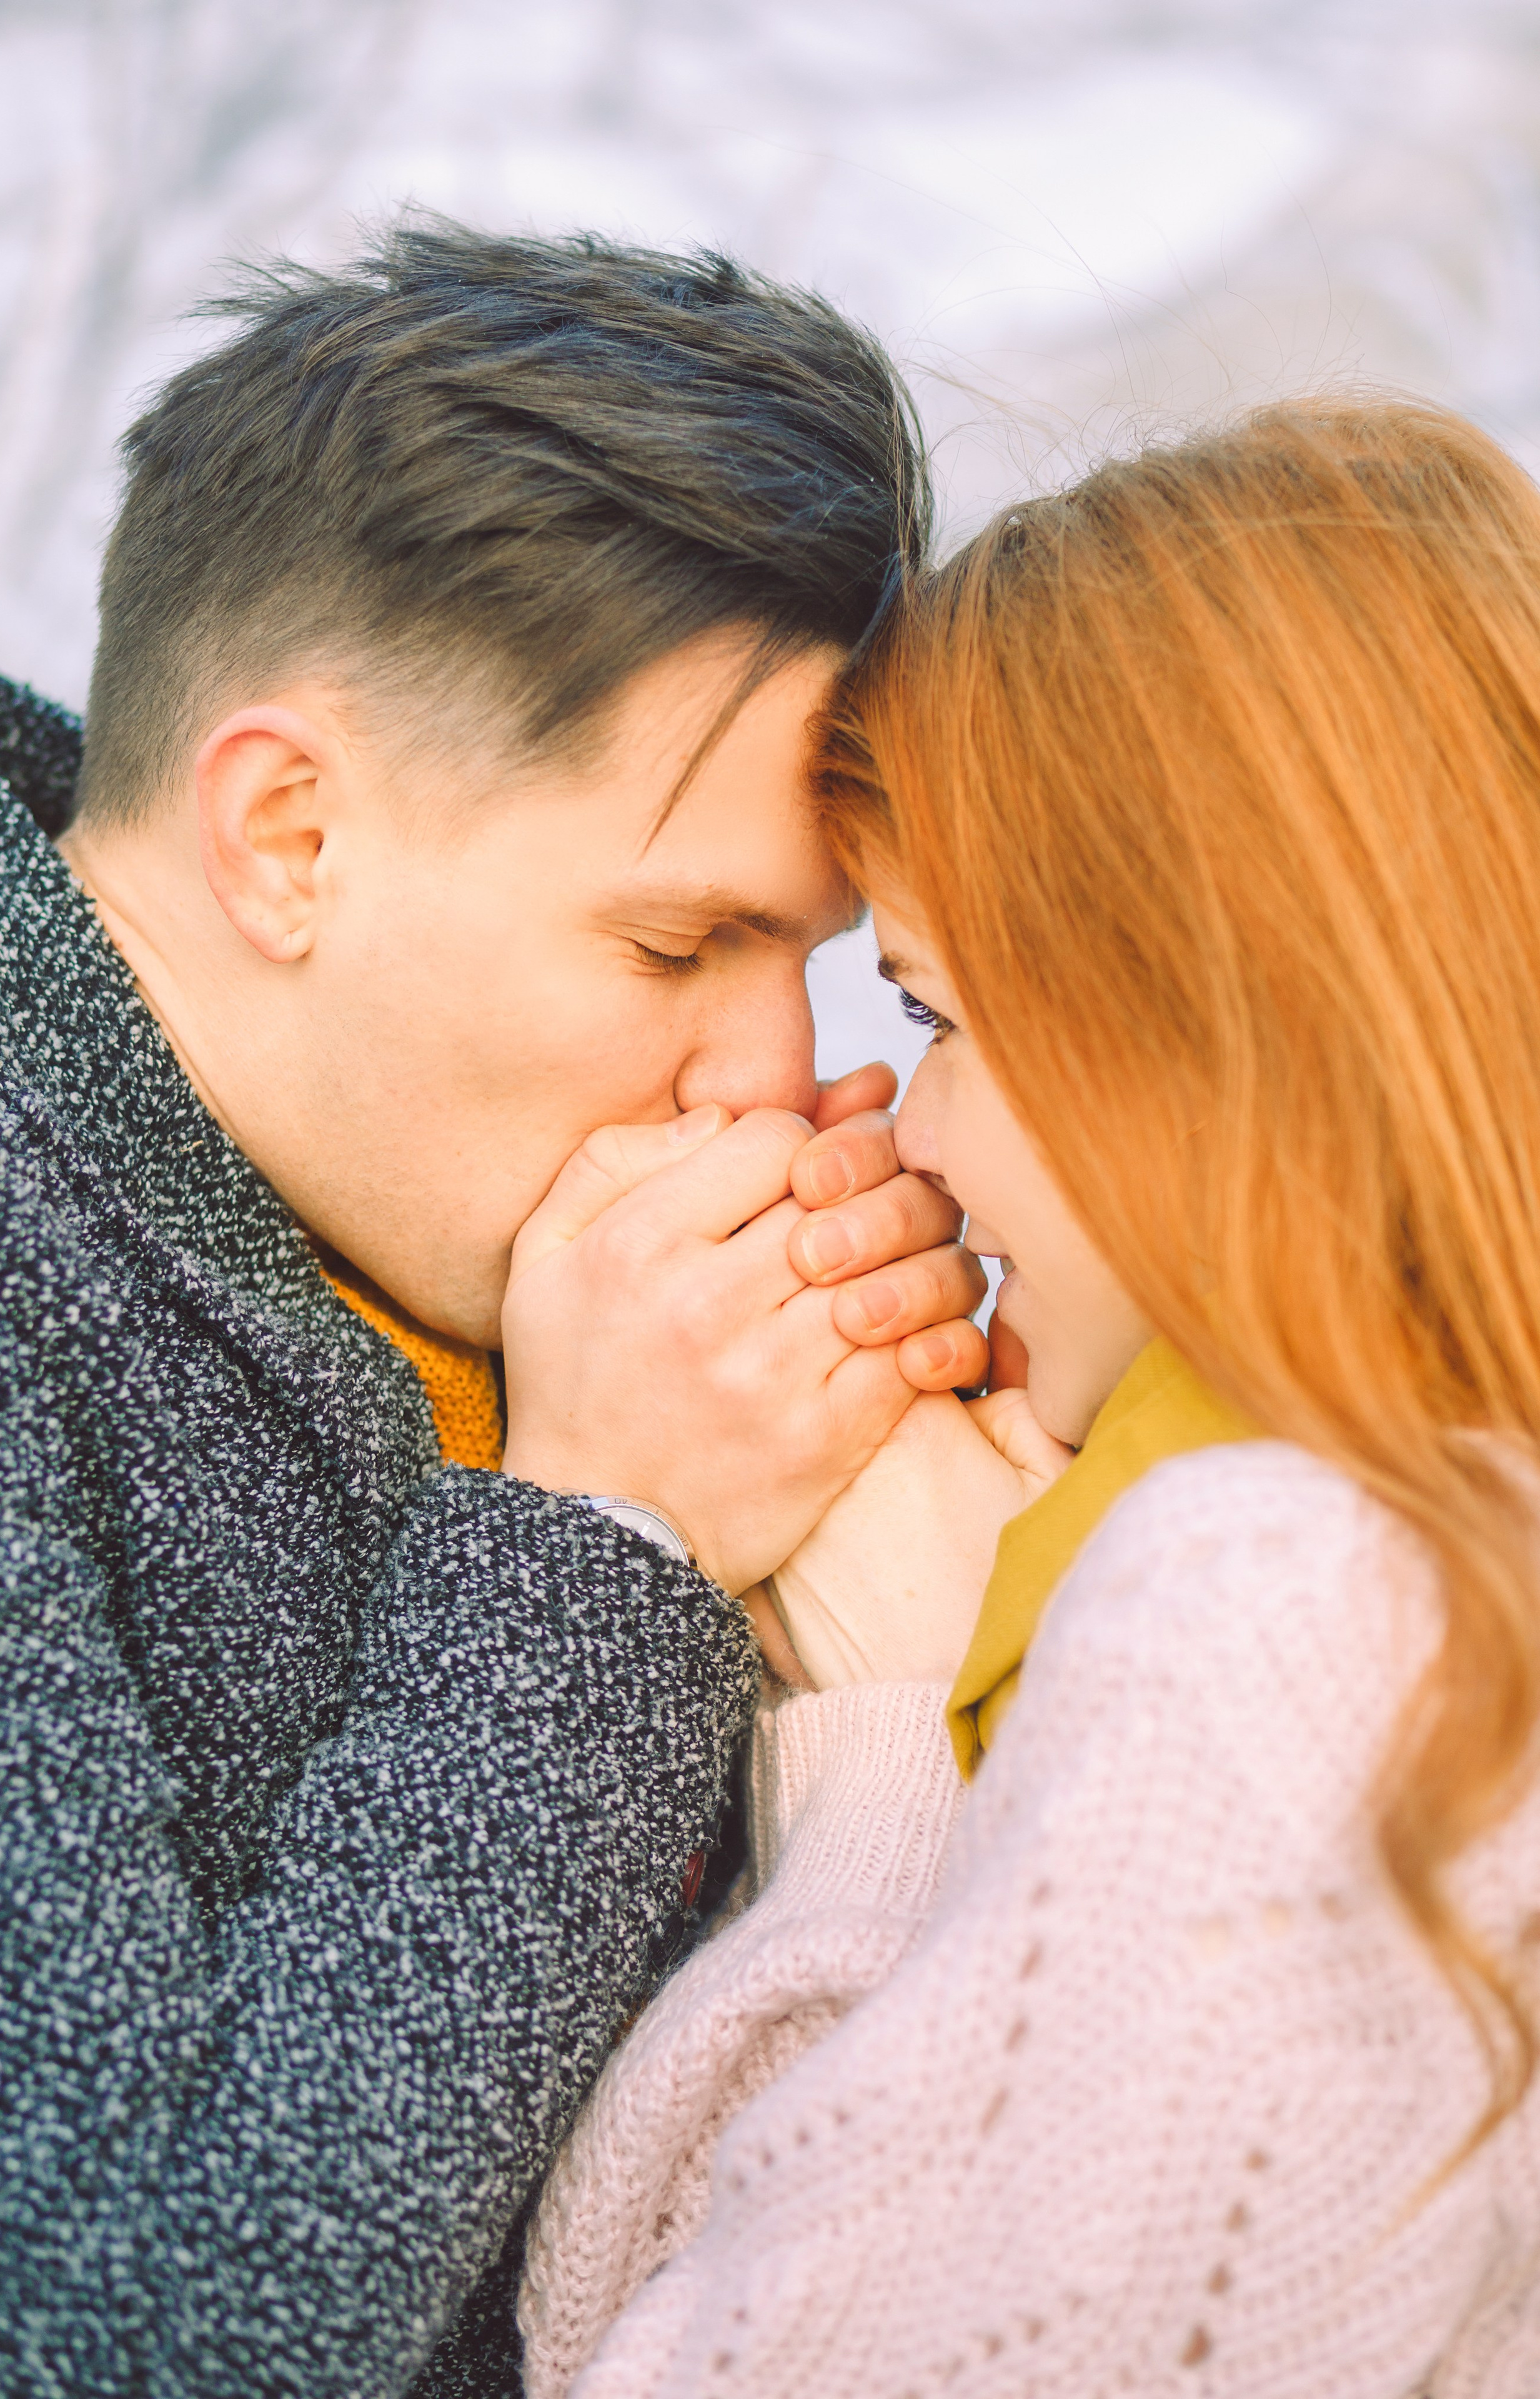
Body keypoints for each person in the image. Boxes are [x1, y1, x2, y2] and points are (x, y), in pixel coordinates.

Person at [0, 221, 990, 2398]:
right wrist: (608, 1545)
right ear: (290, 833)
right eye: (674, 941)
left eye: (808, 961)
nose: (770, 1079)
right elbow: (99, 2342)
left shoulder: (458, 1214)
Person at [519, 398, 1540, 2397]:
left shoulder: (1293, 1599)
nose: (909, 1127)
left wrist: (893, 1748)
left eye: (937, 1009)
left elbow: (640, 2355)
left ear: (1208, 1011)